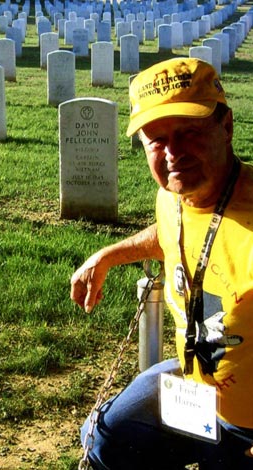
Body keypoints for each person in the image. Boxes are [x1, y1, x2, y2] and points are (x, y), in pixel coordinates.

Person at [70, 57, 253, 470]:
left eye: (188, 132)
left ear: (226, 127)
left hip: (248, 426)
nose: (172, 152)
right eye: (156, 138)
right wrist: (108, 256)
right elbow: (167, 234)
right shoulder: (174, 198)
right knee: (105, 439)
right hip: (195, 389)